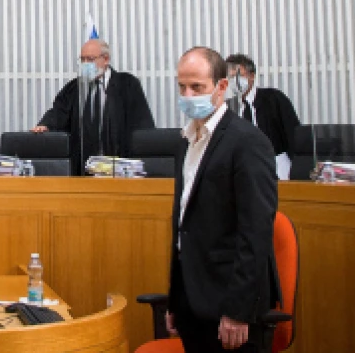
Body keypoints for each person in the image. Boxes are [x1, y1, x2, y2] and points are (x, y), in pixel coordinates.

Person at [165, 47, 279, 353]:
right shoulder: (185, 141)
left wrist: (238, 311)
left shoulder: (248, 142)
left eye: (197, 87)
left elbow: (255, 232)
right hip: (192, 300)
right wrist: (176, 299)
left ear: (222, 87)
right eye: (182, 87)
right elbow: (184, 226)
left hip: (230, 306)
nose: (187, 95)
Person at [32, 38, 155, 174]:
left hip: (120, 170)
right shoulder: (74, 88)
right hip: (82, 170)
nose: (85, 64)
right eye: (82, 60)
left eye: (90, 59)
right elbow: (58, 112)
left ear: (106, 59)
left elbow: (142, 126)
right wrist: (46, 124)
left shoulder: (127, 84)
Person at [225, 54, 300, 180]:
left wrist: (298, 171)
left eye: (239, 76)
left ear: (252, 76)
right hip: (243, 171)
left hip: (278, 167)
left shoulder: (274, 98)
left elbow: (294, 136)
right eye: (231, 77)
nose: (235, 81)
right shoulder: (228, 107)